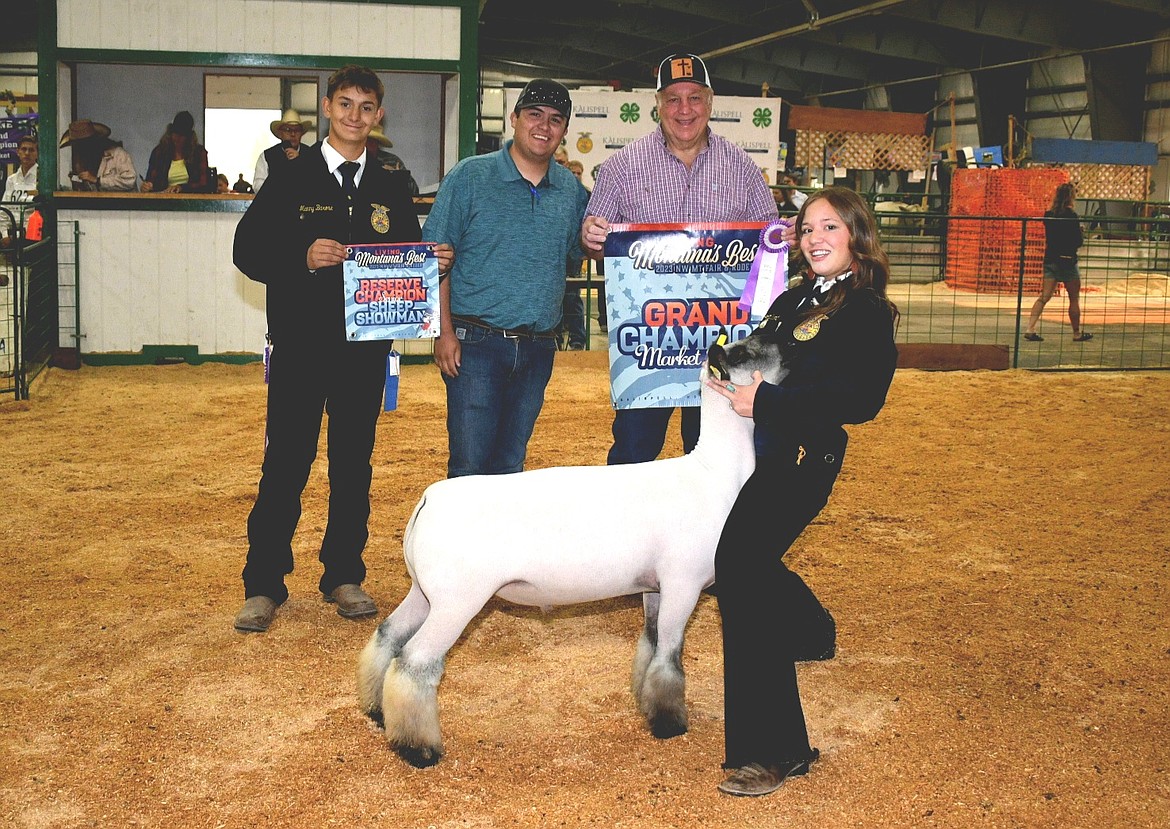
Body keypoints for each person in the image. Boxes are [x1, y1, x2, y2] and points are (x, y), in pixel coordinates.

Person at [230, 65, 453, 634]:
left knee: (353, 463)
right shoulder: (289, 173)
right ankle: (263, 582)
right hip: (302, 345)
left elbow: (404, 251)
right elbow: (247, 250)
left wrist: (430, 263)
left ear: (379, 114)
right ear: (327, 108)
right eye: (346, 104)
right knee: (286, 461)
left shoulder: (390, 180)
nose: (356, 115)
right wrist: (301, 257)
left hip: (364, 350)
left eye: (367, 106)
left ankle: (343, 573)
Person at [701, 187, 898, 797]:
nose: (814, 238)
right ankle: (812, 629)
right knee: (749, 562)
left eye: (829, 227)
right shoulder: (793, 299)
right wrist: (718, 359)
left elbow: (862, 401)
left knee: (738, 565)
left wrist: (770, 400)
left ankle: (777, 750)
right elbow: (756, 354)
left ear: (857, 237)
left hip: (805, 458)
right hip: (760, 452)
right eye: (807, 227)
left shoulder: (866, 311)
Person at [580, 52, 779, 464]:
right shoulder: (622, 166)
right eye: (672, 98)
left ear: (710, 101)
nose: (683, 109)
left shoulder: (742, 167)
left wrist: (785, 237)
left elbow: (770, 244)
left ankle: (713, 532)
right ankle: (628, 530)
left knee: (713, 453)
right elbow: (592, 243)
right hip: (647, 345)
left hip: (721, 342)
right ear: (657, 103)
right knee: (635, 449)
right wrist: (591, 236)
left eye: (694, 97)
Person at [425, 78, 589, 478]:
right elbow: (435, 257)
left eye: (555, 120)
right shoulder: (469, 177)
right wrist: (442, 332)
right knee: (470, 466)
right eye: (534, 115)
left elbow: (578, 253)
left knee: (511, 465)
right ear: (514, 119)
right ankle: (459, 543)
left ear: (564, 129)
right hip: (475, 343)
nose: (543, 127)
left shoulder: (571, 192)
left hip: (538, 348)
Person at [1024, 182, 1092, 342]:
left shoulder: (1048, 215)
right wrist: (1080, 232)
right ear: (1071, 197)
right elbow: (1077, 241)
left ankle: (1030, 328)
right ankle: (1076, 333)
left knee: (1044, 297)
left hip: (1051, 259)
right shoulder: (1072, 216)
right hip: (1068, 260)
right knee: (1073, 298)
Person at [141, 111, 212, 193]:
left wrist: (182, 188)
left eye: (182, 135)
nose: (177, 138)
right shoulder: (159, 152)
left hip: (191, 201)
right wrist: (147, 186)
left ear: (188, 137)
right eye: (175, 133)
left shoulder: (199, 153)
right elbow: (151, 179)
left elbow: (203, 184)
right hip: (163, 200)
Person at [59, 119, 139, 192]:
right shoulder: (83, 161)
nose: (83, 148)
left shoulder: (118, 154)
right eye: (80, 145)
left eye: (85, 143)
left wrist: (97, 180)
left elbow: (129, 180)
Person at [253, 108, 312, 192]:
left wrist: (300, 161)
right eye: (288, 130)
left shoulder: (311, 155)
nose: (293, 134)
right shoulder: (267, 156)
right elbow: (257, 185)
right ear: (280, 133)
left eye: (297, 130)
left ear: (301, 133)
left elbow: (318, 183)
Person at [366, 125, 419, 196]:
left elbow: (414, 192)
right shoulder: (351, 161)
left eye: (372, 141)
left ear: (378, 143)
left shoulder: (392, 161)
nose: (367, 144)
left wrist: (397, 176)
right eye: (365, 140)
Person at [3, 133, 38, 203]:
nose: (27, 153)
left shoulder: (43, 179)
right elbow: (4, 209)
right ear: (18, 152)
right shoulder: (11, 180)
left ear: (37, 154)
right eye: (24, 149)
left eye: (31, 150)